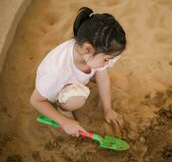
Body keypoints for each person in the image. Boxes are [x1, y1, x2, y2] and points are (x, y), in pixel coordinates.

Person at [30, 7, 127, 137]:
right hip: (60, 86)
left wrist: (108, 109)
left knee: (101, 64)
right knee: (77, 99)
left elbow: (103, 78)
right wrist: (64, 121)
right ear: (88, 49)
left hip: (81, 70)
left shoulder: (90, 52)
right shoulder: (57, 71)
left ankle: (88, 74)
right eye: (106, 59)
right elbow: (36, 100)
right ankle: (63, 107)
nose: (107, 63)